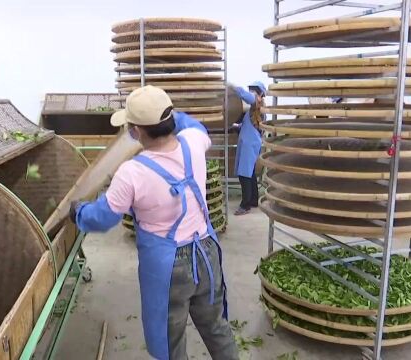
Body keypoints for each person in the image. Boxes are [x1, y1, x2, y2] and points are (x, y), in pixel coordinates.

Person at [69, 86, 238, 360]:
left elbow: (102, 217)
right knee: (216, 326)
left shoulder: (132, 172)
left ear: (135, 131)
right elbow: (192, 124)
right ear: (170, 120)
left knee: (170, 339)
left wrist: (78, 212)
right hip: (207, 252)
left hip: (167, 267)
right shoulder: (194, 141)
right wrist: (166, 112)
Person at [232, 81, 266, 216]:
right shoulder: (253, 109)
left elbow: (245, 95)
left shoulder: (257, 102)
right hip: (248, 141)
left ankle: (245, 205)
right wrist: (235, 127)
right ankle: (253, 200)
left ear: (260, 93)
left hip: (250, 143)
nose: (252, 92)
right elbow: (248, 125)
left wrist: (233, 87)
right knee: (249, 173)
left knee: (244, 174)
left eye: (254, 90)